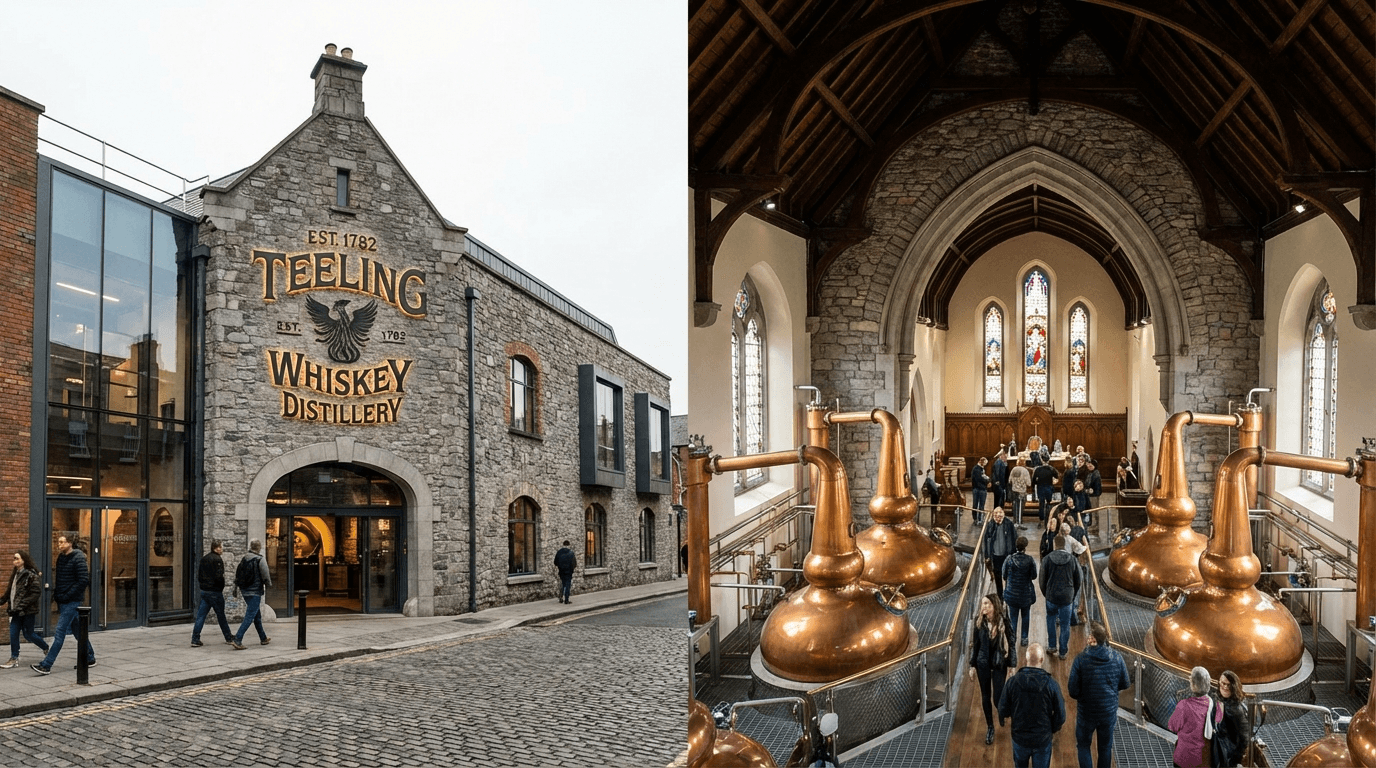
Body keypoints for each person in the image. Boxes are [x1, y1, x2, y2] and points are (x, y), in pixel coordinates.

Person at [1068, 621, 1131, 768]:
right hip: (1108, 712)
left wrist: (1083, 697)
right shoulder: (1117, 657)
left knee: (1083, 746)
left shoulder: (1080, 660)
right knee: (1105, 747)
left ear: (1093, 639)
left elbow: (1073, 690)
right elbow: (1125, 683)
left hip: (1086, 712)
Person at [32, 535, 95, 675]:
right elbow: (60, 579)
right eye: (58, 542)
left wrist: (67, 595)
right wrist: (57, 595)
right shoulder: (61, 557)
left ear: (70, 543)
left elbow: (83, 580)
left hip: (72, 601)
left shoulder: (78, 557)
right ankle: (90, 657)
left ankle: (46, 665)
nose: (59, 545)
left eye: (62, 542)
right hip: (63, 600)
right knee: (78, 631)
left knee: (59, 632)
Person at [999, 642, 1065, 768]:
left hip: (1020, 738)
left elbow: (1003, 709)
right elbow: (1061, 715)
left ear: (1025, 659)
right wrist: (1051, 729)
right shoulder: (1051, 685)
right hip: (1042, 739)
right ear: (1042, 659)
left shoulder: (1012, 683)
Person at [968, 593, 1015, 745]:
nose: (984, 606)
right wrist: (972, 665)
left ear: (994, 605)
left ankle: (1002, 713)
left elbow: (1012, 643)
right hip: (983, 664)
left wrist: (1012, 665)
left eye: (987, 603)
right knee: (985, 696)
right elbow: (975, 646)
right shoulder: (978, 622)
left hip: (999, 663)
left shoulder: (1004, 622)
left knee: (998, 698)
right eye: (983, 604)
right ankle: (990, 727)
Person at [0, 551, 49, 668]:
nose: (15, 561)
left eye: (17, 558)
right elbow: (9, 592)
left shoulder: (31, 575)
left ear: (24, 560)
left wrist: (21, 605)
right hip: (16, 611)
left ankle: (45, 647)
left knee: (29, 634)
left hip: (27, 611)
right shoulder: (16, 574)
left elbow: (35, 593)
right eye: (14, 559)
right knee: (13, 633)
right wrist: (2, 601)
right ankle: (14, 658)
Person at [1169, 666, 1222, 768]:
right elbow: (1218, 722)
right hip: (1205, 760)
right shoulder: (1216, 705)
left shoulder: (1183, 705)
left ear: (1193, 685)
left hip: (1183, 758)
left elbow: (1172, 726)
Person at [1040, 533, 1080, 660]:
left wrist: (1046, 594)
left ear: (1054, 544)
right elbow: (1078, 580)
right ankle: (1063, 652)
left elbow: (1042, 580)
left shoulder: (1047, 559)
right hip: (1067, 597)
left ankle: (1052, 646)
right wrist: (1072, 595)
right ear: (1065, 545)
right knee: (1065, 624)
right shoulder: (1072, 559)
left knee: (1051, 620)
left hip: (1051, 596)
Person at [190, 540, 235, 648]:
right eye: (222, 547)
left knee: (201, 616)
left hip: (205, 591)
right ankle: (228, 637)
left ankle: (195, 639)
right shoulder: (217, 560)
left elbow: (199, 576)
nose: (222, 549)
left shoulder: (204, 558)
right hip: (215, 592)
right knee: (221, 615)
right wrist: (220, 587)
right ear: (217, 548)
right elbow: (219, 577)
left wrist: (203, 586)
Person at [230, 538, 272, 650]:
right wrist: (269, 585)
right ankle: (237, 639)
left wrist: (235, 588)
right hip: (255, 591)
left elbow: (237, 574)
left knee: (256, 615)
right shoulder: (260, 559)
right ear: (259, 547)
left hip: (245, 591)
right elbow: (266, 575)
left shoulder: (244, 558)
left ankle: (263, 638)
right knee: (249, 616)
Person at [1002, 536, 1037, 648]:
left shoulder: (1009, 559)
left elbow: (1004, 575)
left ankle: (1013, 638)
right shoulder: (1030, 560)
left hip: (1012, 594)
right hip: (1025, 593)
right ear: (1025, 547)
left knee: (1013, 617)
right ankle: (1024, 638)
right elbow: (1034, 576)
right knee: (1025, 615)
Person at [1213, 670, 1250, 768]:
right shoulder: (1220, 699)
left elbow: (1244, 737)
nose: (1225, 687)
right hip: (1220, 747)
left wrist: (1234, 760)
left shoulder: (1236, 710)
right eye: (1223, 683)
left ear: (1234, 687)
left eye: (1228, 685)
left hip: (1228, 754)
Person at [983, 506, 1017, 596]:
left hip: (1007, 555)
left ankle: (1008, 593)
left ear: (1003, 515)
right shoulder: (991, 524)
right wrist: (987, 555)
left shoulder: (1009, 524)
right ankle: (1000, 595)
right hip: (995, 555)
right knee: (997, 576)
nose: (998, 518)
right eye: (996, 516)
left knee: (1008, 576)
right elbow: (986, 540)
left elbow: (1014, 539)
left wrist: (1014, 554)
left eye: (1000, 515)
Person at [1008, 457, 1031, 524]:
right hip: (1022, 491)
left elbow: (1010, 480)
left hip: (1014, 490)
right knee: (1021, 506)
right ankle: (1020, 520)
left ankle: (1015, 519)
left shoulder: (1013, 469)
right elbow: (1028, 483)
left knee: (1015, 505)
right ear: (1024, 463)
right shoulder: (1025, 470)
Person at [971, 457, 990, 525]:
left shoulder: (979, 469)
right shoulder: (977, 469)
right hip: (980, 489)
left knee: (977, 505)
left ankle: (977, 518)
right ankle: (978, 519)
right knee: (979, 505)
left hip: (977, 488)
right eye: (984, 464)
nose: (985, 465)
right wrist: (987, 481)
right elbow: (979, 479)